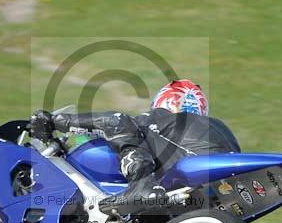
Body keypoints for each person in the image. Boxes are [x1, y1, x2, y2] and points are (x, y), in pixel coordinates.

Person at [28, 79, 240, 214]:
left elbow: (118, 121)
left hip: (188, 172)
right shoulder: (216, 128)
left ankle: (141, 184)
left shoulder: (165, 118)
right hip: (220, 194)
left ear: (165, 101)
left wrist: (55, 121)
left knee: (119, 122)